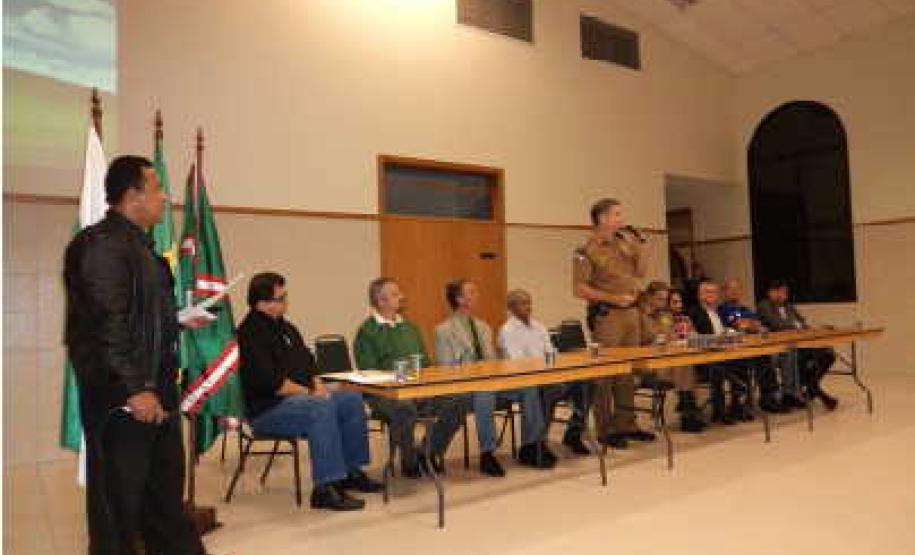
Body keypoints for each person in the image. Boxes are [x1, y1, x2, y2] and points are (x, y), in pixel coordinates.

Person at [64, 156, 211, 555]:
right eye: (157, 188)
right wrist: (134, 390)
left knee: (164, 504)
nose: (165, 197)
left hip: (156, 391)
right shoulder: (101, 246)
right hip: (125, 402)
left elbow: (137, 320)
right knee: (118, 513)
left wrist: (178, 320)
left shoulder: (142, 249)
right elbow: (106, 324)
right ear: (133, 196)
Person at [237, 272, 382, 512]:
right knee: (320, 408)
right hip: (268, 409)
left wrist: (318, 386)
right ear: (262, 303)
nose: (286, 302)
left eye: (285, 296)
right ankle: (325, 488)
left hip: (299, 398)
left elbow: (309, 362)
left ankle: (350, 471)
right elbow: (271, 382)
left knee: (350, 400)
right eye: (280, 298)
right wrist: (309, 392)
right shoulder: (249, 333)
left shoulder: (286, 328)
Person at [435, 280, 552, 476]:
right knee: (485, 392)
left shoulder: (484, 327)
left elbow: (493, 361)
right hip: (466, 387)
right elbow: (446, 368)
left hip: (490, 382)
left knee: (528, 386)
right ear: (459, 299)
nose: (477, 295)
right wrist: (471, 368)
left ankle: (531, 446)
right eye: (471, 292)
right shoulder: (444, 331)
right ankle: (487, 452)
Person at [353, 277, 466, 477]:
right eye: (396, 294)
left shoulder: (410, 328)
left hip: (418, 388)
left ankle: (428, 452)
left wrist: (425, 387)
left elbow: (425, 363)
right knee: (404, 408)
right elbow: (369, 373)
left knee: (457, 400)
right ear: (381, 301)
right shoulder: (367, 332)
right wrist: (404, 389)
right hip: (384, 394)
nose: (402, 297)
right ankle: (409, 459)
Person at [572, 198, 655, 449]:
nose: (622, 218)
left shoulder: (625, 243)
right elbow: (580, 289)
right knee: (606, 373)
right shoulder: (585, 250)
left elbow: (640, 273)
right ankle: (605, 429)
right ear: (603, 218)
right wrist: (613, 298)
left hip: (632, 314)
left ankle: (627, 424)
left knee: (627, 372)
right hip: (608, 316)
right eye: (617, 214)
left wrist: (642, 246)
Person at [497, 289, 565, 462]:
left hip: (543, 376)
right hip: (517, 380)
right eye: (523, 303)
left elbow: (551, 352)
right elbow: (518, 362)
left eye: (529, 302)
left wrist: (549, 363)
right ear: (511, 307)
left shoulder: (539, 326)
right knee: (542, 389)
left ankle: (572, 434)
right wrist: (544, 363)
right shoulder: (508, 330)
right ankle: (533, 445)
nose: (529, 307)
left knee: (580, 384)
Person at [757, 280, 838, 410]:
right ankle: (806, 391)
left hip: (799, 344)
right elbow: (777, 325)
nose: (784, 295)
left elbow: (803, 323)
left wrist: (815, 329)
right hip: (781, 348)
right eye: (781, 292)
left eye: (786, 292)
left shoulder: (789, 307)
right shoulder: (764, 305)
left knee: (828, 353)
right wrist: (796, 326)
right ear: (771, 292)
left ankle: (810, 388)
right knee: (797, 356)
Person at [639, 281, 706, 433]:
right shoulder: (640, 316)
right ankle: (688, 408)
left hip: (669, 359)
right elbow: (637, 344)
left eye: (664, 299)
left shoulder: (666, 315)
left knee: (684, 362)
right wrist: (657, 342)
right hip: (649, 362)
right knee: (683, 365)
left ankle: (687, 406)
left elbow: (671, 335)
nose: (663, 303)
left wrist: (678, 338)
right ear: (649, 297)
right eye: (659, 299)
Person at [718, 278, 788, 413]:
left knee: (765, 357)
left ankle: (768, 398)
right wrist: (750, 325)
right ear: (724, 292)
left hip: (751, 349)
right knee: (744, 362)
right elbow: (737, 324)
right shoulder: (722, 309)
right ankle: (739, 403)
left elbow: (759, 325)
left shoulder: (745, 309)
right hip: (732, 351)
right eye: (730, 289)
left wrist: (751, 325)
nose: (734, 292)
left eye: (737, 289)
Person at [686, 279, 751, 425]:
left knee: (744, 361)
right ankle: (719, 411)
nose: (711, 295)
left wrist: (731, 333)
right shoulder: (693, 312)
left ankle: (738, 406)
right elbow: (692, 339)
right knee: (719, 367)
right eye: (707, 292)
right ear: (699, 295)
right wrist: (718, 341)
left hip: (724, 355)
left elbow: (725, 331)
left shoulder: (719, 312)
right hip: (703, 359)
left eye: (714, 292)